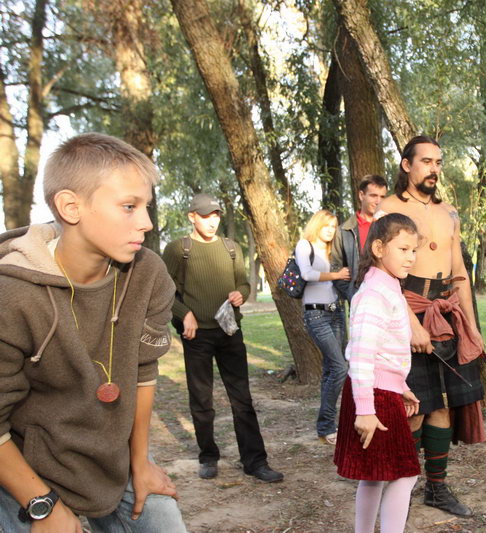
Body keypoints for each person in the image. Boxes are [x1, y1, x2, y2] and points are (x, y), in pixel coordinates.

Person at [0, 133, 186, 531]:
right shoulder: (11, 296)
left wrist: (141, 461)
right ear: (71, 207)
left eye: (146, 206)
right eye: (129, 207)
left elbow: (144, 371)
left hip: (110, 457)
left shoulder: (148, 273)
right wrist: (42, 505)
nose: (147, 222)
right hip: (22, 463)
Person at [379, 135, 485, 517]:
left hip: (446, 313)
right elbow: (382, 274)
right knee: (415, 407)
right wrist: (412, 324)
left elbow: (460, 274)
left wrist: (472, 327)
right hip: (406, 310)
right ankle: (402, 487)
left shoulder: (449, 212)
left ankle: (436, 489)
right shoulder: (388, 210)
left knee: (442, 406)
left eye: (438, 162)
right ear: (407, 165)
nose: (434, 169)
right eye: (426, 161)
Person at [162, 193, 283, 483]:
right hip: (196, 335)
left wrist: (241, 293)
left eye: (215, 215)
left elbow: (243, 282)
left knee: (242, 399)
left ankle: (255, 461)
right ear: (192, 217)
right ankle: (208, 456)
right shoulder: (178, 249)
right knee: (202, 399)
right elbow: (163, 288)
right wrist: (184, 313)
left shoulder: (231, 247)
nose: (212, 221)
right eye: (205, 216)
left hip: (230, 331)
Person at [334, 213, 422, 533]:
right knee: (405, 474)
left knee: (373, 476)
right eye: (403, 249)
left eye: (414, 250)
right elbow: (361, 355)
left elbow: (385, 351)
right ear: (379, 248)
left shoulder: (388, 286)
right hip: (372, 398)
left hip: (381, 391)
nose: (411, 258)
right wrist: (365, 411)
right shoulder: (374, 294)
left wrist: (400, 385)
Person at [296, 210, 351, 445]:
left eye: (334, 226)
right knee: (340, 368)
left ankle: (326, 427)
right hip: (316, 314)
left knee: (331, 369)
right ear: (317, 225)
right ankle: (326, 424)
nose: (330, 230)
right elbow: (307, 274)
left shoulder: (333, 250)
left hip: (336, 312)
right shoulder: (305, 245)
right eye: (326, 225)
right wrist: (336, 274)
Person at [331, 175, 388, 301]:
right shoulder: (344, 231)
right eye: (373, 196)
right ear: (361, 195)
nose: (378, 201)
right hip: (359, 299)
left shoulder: (390, 225)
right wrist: (353, 294)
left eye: (382, 196)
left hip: (388, 296)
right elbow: (335, 268)